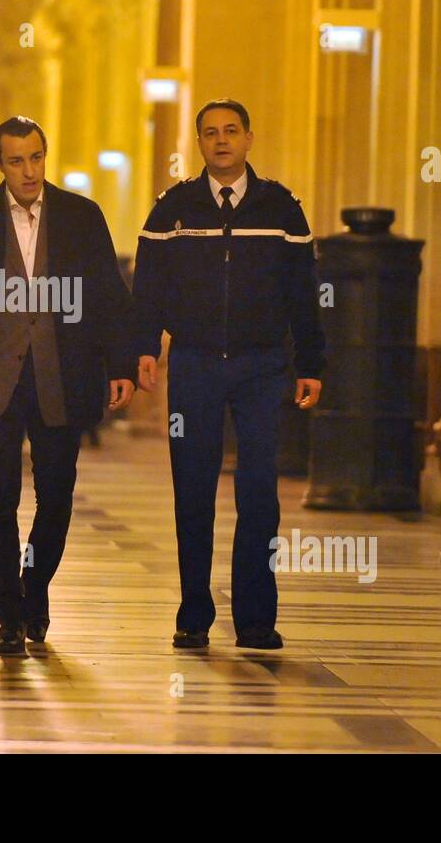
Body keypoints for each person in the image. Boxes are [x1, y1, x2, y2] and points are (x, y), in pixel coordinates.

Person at [0, 115, 136, 656]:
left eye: (36, 158)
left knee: (57, 496)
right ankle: (8, 616)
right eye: (17, 160)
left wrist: (121, 364)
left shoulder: (81, 217)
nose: (28, 170)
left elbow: (108, 294)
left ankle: (34, 586)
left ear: (46, 156)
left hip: (60, 377)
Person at [132, 98, 325, 651]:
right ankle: (194, 613)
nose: (222, 140)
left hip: (263, 366)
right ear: (199, 144)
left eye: (231, 131)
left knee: (260, 490)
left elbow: (303, 295)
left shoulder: (282, 209)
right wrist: (144, 349)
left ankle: (256, 619)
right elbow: (147, 290)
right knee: (192, 488)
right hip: (193, 364)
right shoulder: (172, 209)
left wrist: (310, 362)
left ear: (248, 139)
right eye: (211, 133)